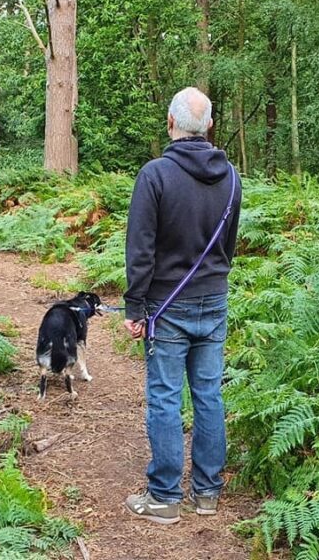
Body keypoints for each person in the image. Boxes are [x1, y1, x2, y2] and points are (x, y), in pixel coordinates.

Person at [122, 87, 242, 525]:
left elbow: (140, 250)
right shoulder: (232, 176)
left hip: (166, 305)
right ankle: (207, 494)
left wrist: (135, 308)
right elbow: (228, 246)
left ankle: (165, 498)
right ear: (208, 126)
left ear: (170, 124)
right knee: (209, 394)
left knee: (165, 397)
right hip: (214, 299)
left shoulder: (154, 175)